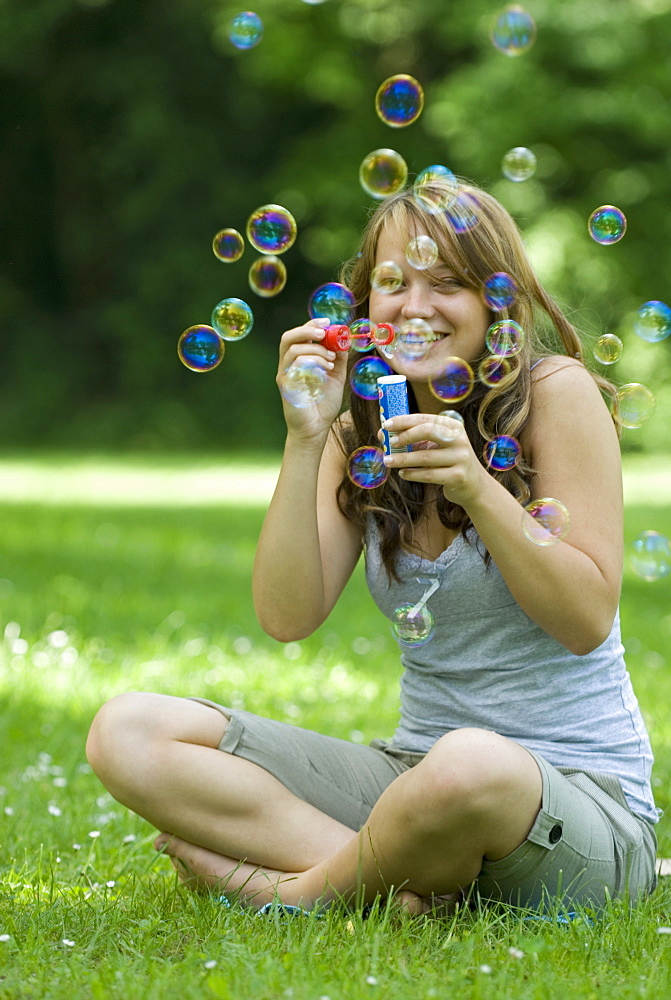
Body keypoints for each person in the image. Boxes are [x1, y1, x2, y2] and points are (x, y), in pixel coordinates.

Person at [86, 181, 659, 916]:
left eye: (446, 283)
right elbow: (287, 614)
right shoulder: (358, 428)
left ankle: (291, 894)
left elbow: (584, 621)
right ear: (363, 307)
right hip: (413, 779)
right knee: (129, 730)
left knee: (469, 763)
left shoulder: (556, 394)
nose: (413, 305)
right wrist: (305, 438)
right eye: (392, 282)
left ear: (496, 301)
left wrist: (480, 490)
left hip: (572, 804)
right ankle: (405, 888)